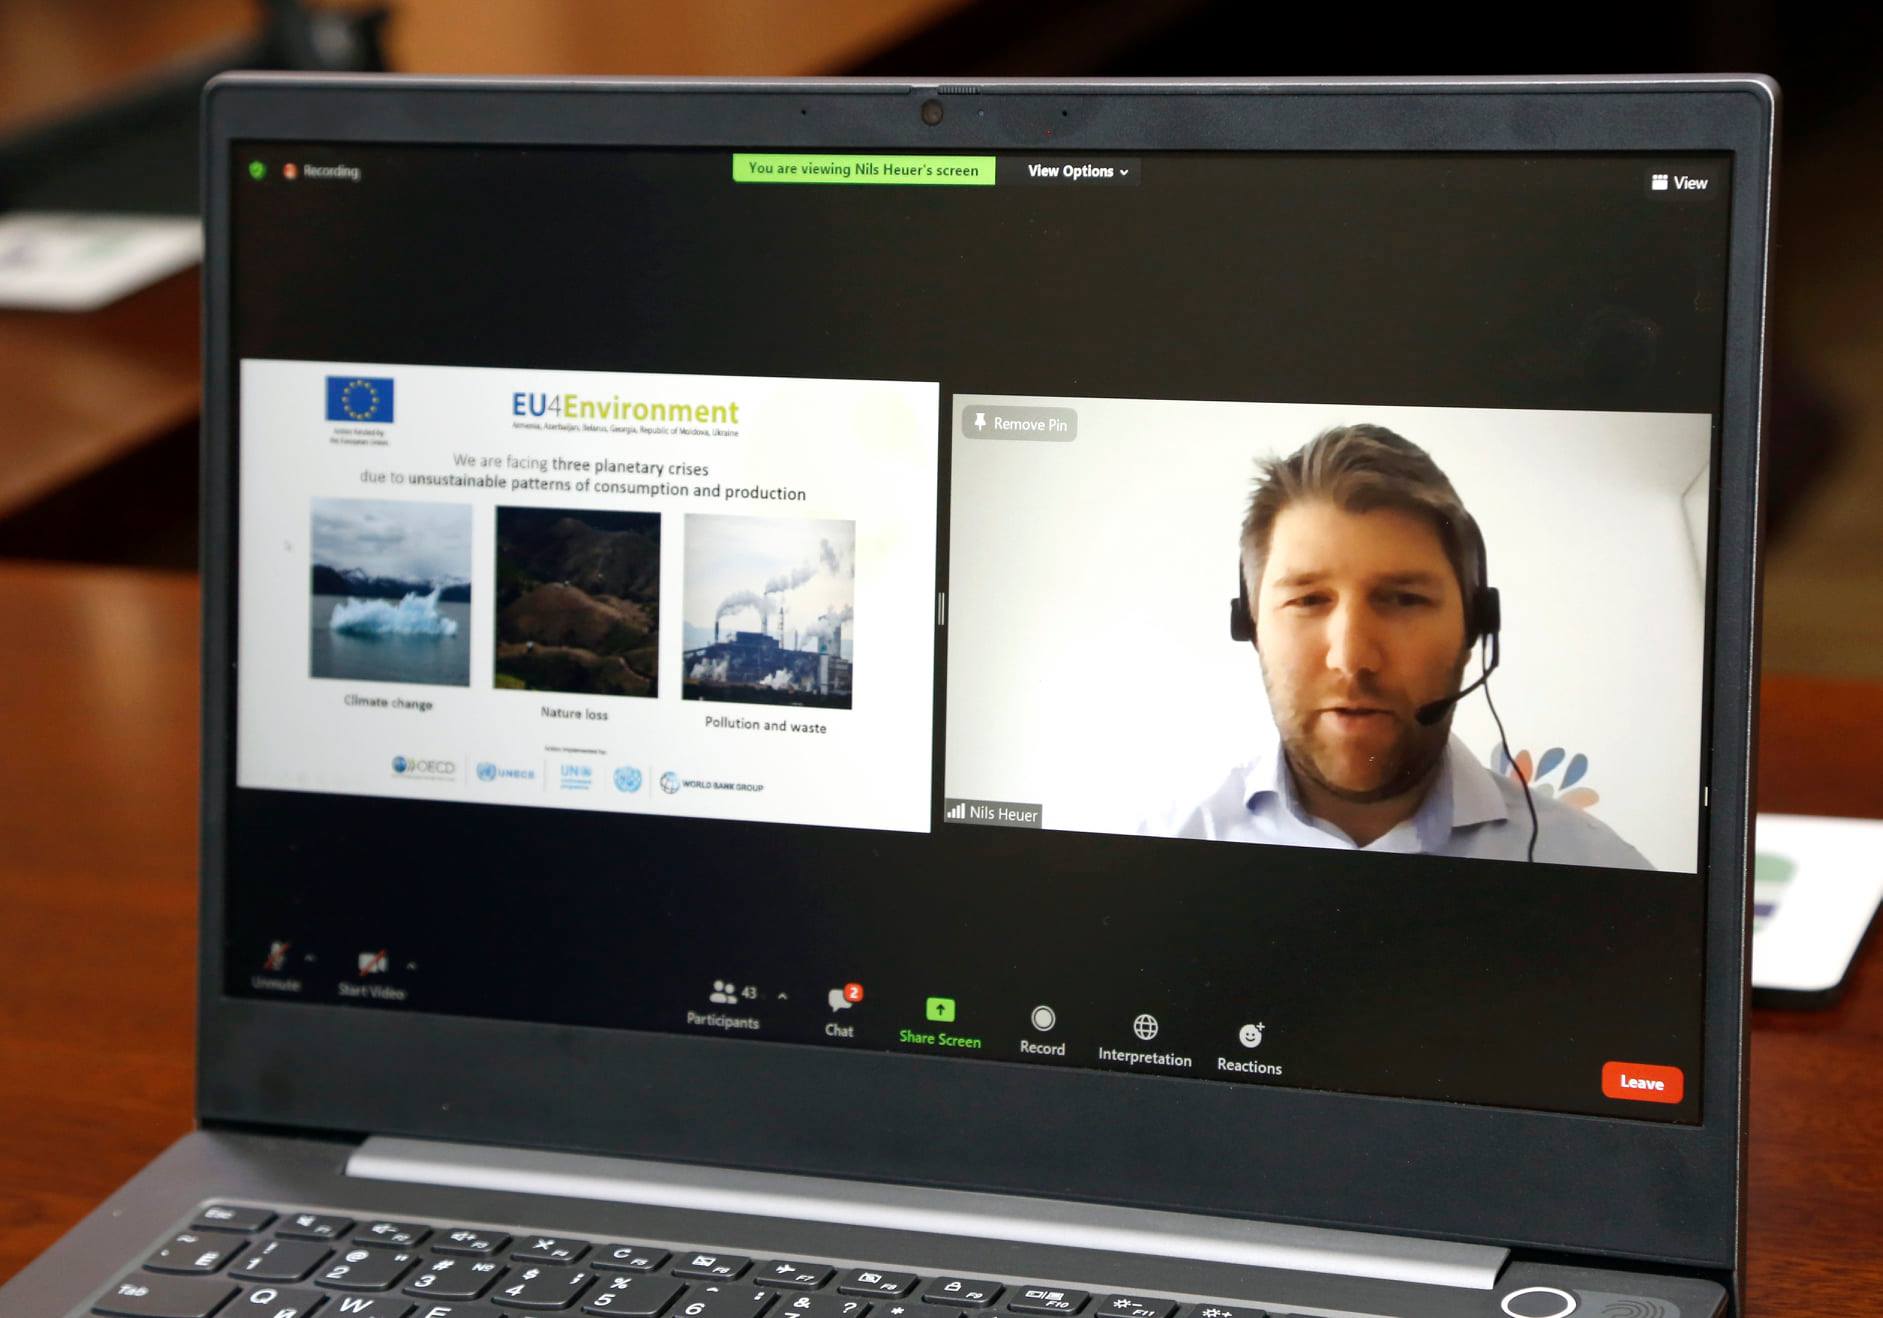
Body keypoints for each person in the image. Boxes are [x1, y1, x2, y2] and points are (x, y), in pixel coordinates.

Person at [1156, 423, 1651, 868]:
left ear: (1474, 627)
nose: (1351, 659)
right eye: (1307, 600)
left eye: (1404, 599)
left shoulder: (1603, 872)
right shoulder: (1161, 854)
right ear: (1251, 626)